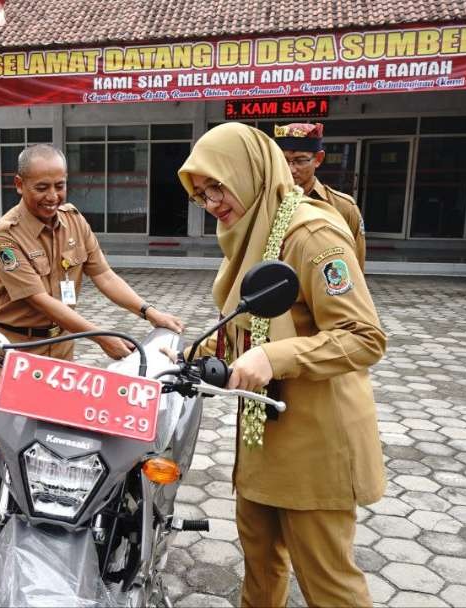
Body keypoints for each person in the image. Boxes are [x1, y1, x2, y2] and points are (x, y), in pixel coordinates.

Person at [178, 123, 387, 607]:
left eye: (217, 185)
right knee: (261, 564)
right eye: (201, 194)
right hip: (263, 435)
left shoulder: (312, 234)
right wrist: (195, 354)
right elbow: (251, 325)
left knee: (328, 582)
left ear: (248, 172)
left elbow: (365, 338)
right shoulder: (250, 230)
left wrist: (274, 357)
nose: (212, 203)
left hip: (316, 440)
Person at [0, 143, 183, 410]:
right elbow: (39, 300)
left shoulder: (74, 221)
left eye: (60, 185)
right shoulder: (5, 236)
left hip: (62, 342)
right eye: (41, 188)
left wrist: (149, 312)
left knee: (57, 420)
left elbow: (104, 274)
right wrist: (101, 336)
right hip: (20, 348)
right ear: (20, 184)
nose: (53, 196)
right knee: (9, 429)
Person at [274, 122, 367, 267]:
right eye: (283, 160)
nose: (291, 169)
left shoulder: (343, 207)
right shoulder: (266, 202)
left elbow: (356, 264)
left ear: (318, 159)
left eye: (300, 160)